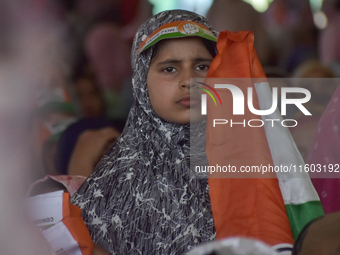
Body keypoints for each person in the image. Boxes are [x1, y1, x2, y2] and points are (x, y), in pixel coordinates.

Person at [71, 10, 218, 254]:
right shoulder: (113, 182)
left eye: (202, 66)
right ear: (141, 81)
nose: (189, 80)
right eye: (170, 69)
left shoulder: (248, 158)